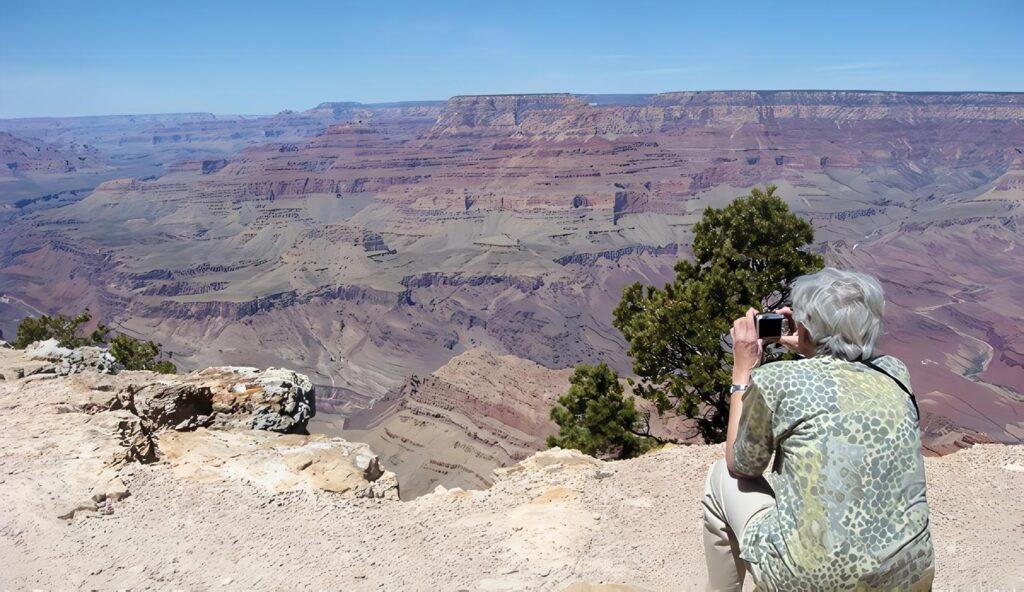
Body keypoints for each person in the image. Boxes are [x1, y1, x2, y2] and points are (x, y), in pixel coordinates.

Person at [702, 267, 934, 591]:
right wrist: (814, 343)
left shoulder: (777, 381)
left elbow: (741, 465)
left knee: (721, 477)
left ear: (806, 328)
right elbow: (841, 371)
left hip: (813, 580)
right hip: (910, 575)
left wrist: (743, 370)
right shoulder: (895, 373)